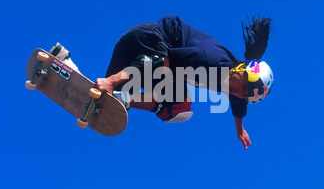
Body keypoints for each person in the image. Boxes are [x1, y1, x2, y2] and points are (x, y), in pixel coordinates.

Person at [50, 15, 274, 149]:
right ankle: (118, 93)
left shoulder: (236, 88)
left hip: (137, 47)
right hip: (148, 41)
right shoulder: (208, 60)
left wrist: (239, 129)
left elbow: (239, 105)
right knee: (177, 106)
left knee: (102, 97)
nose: (237, 92)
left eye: (243, 94)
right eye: (242, 86)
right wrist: (113, 80)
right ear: (241, 69)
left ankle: (64, 61)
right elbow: (164, 62)